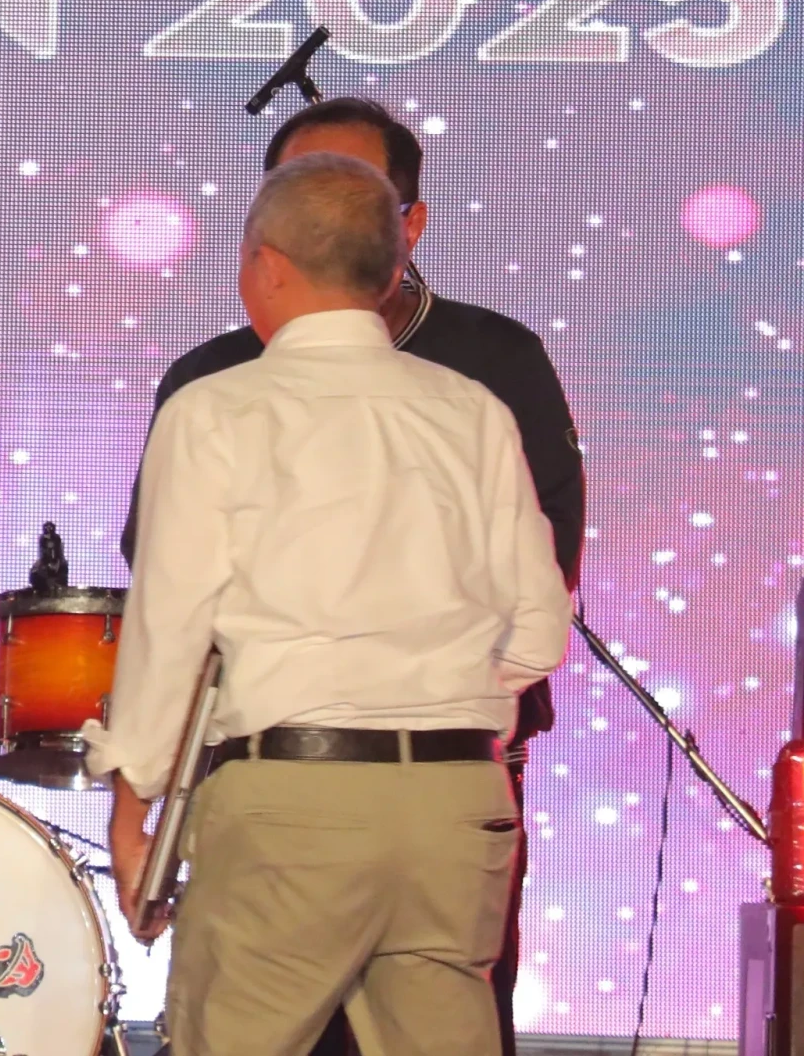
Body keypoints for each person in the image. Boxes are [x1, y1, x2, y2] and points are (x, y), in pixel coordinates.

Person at [118, 97, 582, 1056]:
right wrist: (435, 695)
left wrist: (133, 806)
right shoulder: (472, 407)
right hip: (457, 800)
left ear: (265, 264)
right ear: (389, 262)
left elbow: (170, 631)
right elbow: (540, 628)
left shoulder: (218, 407)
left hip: (294, 795)